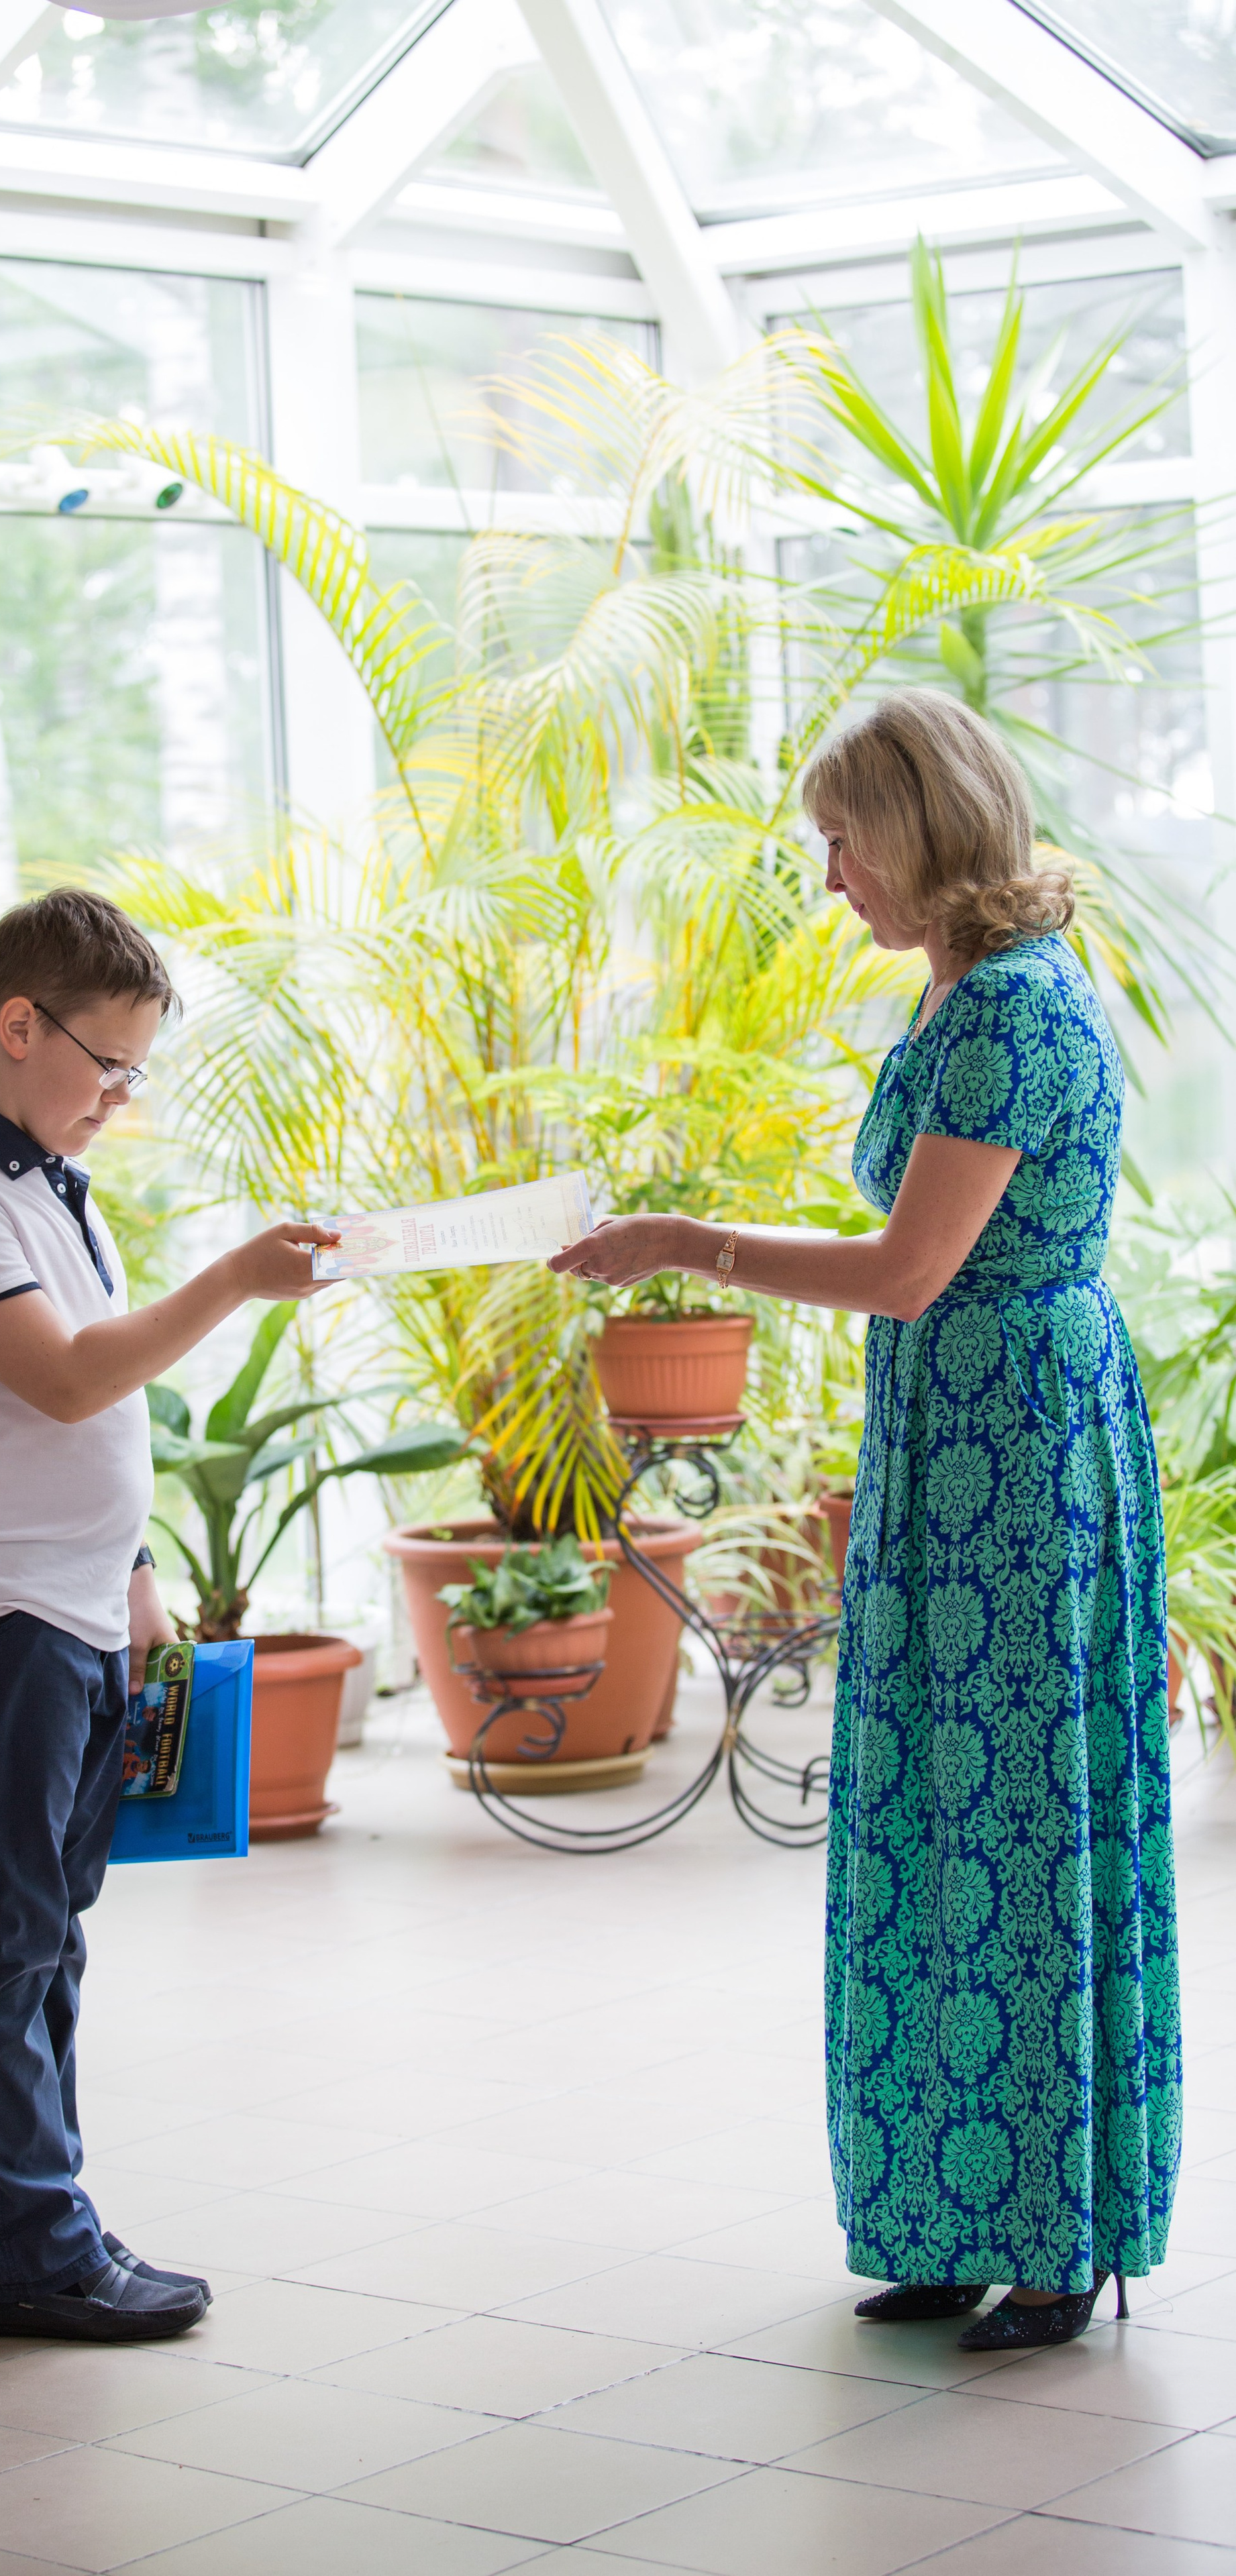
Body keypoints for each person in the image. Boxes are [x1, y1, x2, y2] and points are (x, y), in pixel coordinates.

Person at [550, 690, 1177, 2353]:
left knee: (1017, 1829)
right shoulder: (964, 990)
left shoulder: (1003, 1015)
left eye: (839, 836)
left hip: (1014, 1452)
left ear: (913, 826)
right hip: (961, 1430)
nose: (826, 873)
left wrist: (689, 1239)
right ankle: (949, 2207)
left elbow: (908, 1267)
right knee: (927, 1813)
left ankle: (1048, 2230)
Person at [0, 886, 336, 2347]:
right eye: (106, 1065)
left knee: (50, 1938)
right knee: (1, 1943)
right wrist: (237, 1279)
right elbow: (65, 1377)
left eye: (136, 1073)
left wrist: (131, 1570)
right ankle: (29, 2256)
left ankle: (51, 2215)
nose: (120, 1101)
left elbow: (94, 1413)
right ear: (19, 1025)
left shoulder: (43, 1186)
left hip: (65, 1606)